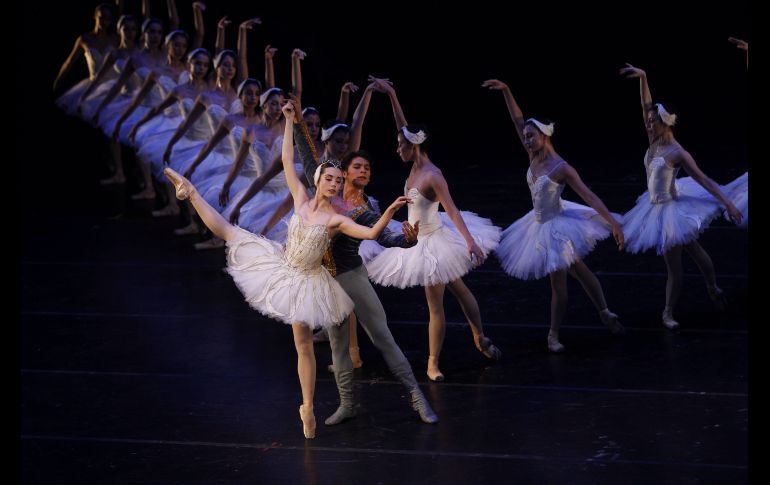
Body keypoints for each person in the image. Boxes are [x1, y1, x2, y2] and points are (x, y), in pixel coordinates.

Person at [161, 99, 410, 439]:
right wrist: (290, 121)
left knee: (304, 346)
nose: (335, 184)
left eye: (339, 180)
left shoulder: (337, 219)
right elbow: (286, 158)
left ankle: (307, 406)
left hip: (309, 280)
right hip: (282, 265)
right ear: (319, 180)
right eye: (330, 178)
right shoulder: (301, 199)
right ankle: (190, 192)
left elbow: (369, 234)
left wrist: (390, 211)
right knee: (231, 233)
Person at [290, 96, 438, 425]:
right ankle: (348, 404)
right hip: (326, 281)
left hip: (352, 277)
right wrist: (297, 120)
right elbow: (306, 154)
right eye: (357, 166)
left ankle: (417, 396)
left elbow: (382, 236)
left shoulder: (363, 209)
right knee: (337, 344)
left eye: (367, 168)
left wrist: (408, 240)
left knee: (381, 336)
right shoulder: (326, 188)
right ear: (342, 173)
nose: (362, 171)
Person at [367, 80, 502, 381]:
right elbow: (403, 126)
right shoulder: (415, 165)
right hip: (419, 238)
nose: (397, 149)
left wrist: (470, 241)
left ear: (414, 146)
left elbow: (452, 210)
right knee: (460, 289)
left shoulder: (432, 175)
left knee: (435, 306)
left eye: (401, 145)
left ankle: (433, 363)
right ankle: (480, 338)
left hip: (433, 242)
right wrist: (392, 94)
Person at [482, 79, 625, 353]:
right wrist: (507, 91)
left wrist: (613, 223)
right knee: (579, 270)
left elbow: (589, 196)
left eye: (531, 136)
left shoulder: (561, 168)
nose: (526, 139)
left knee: (559, 284)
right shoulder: (532, 155)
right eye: (525, 136)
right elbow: (517, 120)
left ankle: (553, 335)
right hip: (537, 223)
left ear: (545, 135)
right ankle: (605, 312)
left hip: (556, 227)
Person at [619, 64, 744, 329]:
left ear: (665, 122)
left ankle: (668, 312)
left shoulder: (678, 152)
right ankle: (712, 286)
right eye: (648, 120)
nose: (648, 123)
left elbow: (704, 180)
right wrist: (643, 78)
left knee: (674, 267)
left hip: (670, 210)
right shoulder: (653, 139)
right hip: (653, 205)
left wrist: (729, 204)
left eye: (653, 121)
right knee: (694, 248)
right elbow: (645, 105)